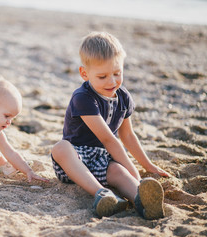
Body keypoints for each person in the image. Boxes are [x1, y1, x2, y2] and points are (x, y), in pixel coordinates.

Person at [51, 32, 170, 219]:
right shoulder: (83, 98)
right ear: (84, 73)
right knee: (60, 148)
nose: (112, 81)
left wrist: (148, 166)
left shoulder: (123, 97)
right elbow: (108, 139)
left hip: (102, 159)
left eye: (117, 73)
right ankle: (102, 194)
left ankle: (142, 200)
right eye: (102, 76)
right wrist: (137, 176)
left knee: (119, 172)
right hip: (75, 159)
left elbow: (128, 136)